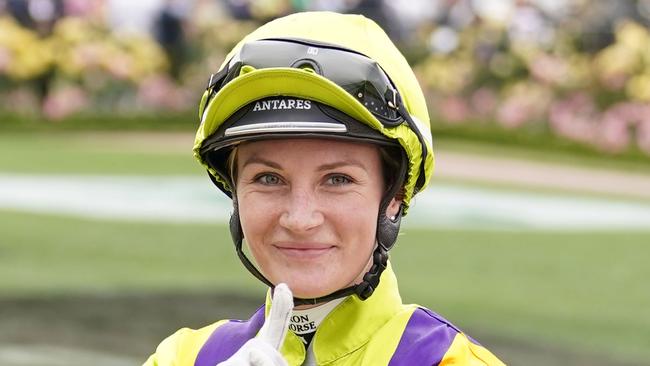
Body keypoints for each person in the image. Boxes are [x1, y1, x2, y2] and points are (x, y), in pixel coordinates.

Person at [144, 11, 505, 366]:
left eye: (338, 180)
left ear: (395, 197)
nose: (300, 219)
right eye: (268, 179)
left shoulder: (451, 361)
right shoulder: (183, 358)